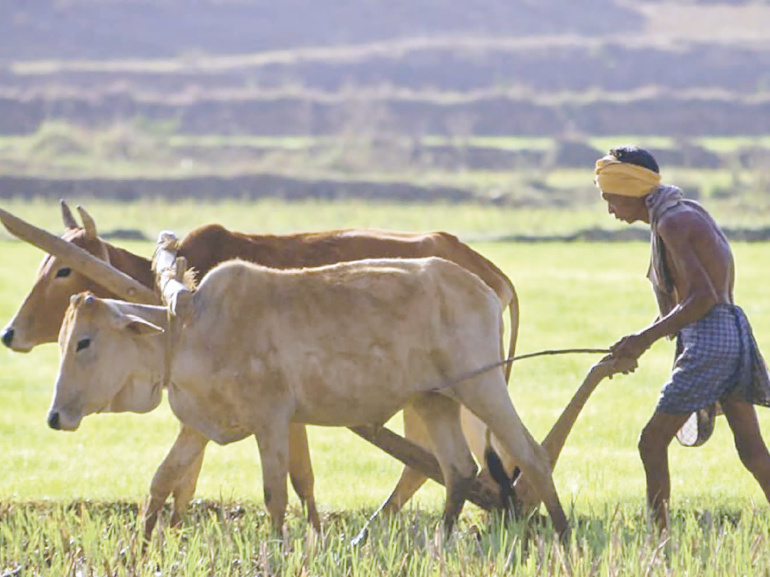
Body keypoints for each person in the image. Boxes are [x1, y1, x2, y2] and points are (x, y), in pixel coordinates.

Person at [596, 144, 770, 532]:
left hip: (710, 338)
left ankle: (659, 536)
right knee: (753, 450)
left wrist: (642, 339)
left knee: (651, 442)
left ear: (630, 188)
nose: (609, 209)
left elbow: (701, 299)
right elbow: (687, 305)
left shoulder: (671, 223)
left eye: (610, 198)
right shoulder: (681, 212)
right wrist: (637, 342)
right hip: (732, 332)